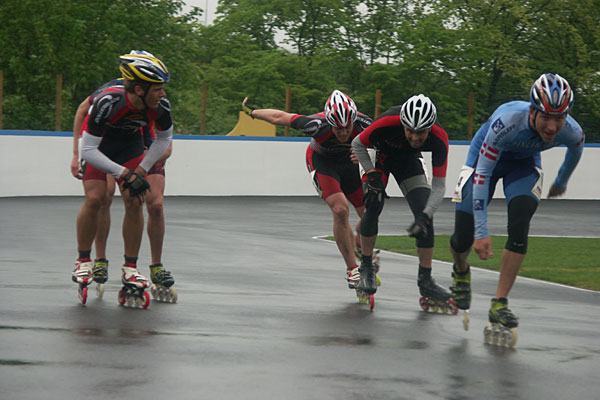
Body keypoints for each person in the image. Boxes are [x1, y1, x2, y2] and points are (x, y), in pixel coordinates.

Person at [449, 73, 584, 330]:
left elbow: (576, 150)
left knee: (521, 222)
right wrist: (481, 231)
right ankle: (461, 269)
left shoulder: (572, 130)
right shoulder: (507, 122)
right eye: (546, 117)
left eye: (559, 118)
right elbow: (483, 175)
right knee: (463, 236)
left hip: (523, 165)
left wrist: (561, 182)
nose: (552, 127)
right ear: (532, 111)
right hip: (485, 161)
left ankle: (500, 303)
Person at [242, 90, 373, 289]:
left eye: (347, 128)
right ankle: (352, 269)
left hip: (351, 164)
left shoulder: (365, 124)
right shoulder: (316, 125)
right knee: (340, 209)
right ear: (330, 123)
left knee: (370, 215)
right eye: (338, 129)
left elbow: (387, 140)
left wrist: (368, 154)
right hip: (324, 163)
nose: (344, 133)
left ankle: (358, 242)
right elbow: (280, 117)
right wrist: (253, 112)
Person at [71, 51, 173, 301]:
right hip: (99, 144)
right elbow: (89, 149)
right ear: (139, 89)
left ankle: (130, 267)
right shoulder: (108, 102)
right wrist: (122, 172)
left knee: (134, 198)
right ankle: (84, 260)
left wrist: (139, 171)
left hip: (130, 143)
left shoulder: (161, 107)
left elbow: (164, 141)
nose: (163, 94)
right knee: (96, 198)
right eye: (157, 89)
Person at [352, 94, 452, 307]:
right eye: (410, 131)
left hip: (409, 160)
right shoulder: (387, 122)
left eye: (421, 133)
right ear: (402, 124)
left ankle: (425, 280)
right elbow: (357, 143)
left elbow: (439, 186)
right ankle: (367, 266)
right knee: (374, 201)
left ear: (430, 128)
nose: (415, 138)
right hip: (379, 156)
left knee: (425, 214)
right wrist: (371, 174)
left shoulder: (439, 137)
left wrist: (425, 216)